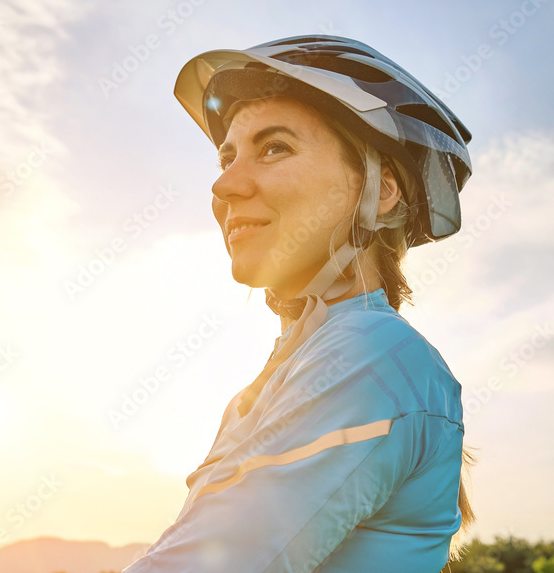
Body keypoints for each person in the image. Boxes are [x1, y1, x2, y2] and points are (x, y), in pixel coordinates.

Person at [122, 35, 476, 572]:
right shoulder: (295, 371)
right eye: (227, 156)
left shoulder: (370, 353)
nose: (225, 185)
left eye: (275, 148)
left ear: (381, 191)